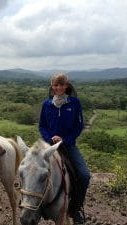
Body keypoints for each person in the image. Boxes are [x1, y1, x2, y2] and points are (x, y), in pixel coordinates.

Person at [39, 72, 90, 224]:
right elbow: (42, 126)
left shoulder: (74, 103)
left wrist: (64, 140)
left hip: (68, 145)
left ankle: (76, 208)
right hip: (49, 145)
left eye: (62, 84)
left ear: (66, 86)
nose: (59, 87)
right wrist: (50, 139)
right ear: (52, 87)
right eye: (56, 85)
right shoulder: (47, 104)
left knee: (84, 175)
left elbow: (78, 126)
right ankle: (36, 206)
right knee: (33, 172)